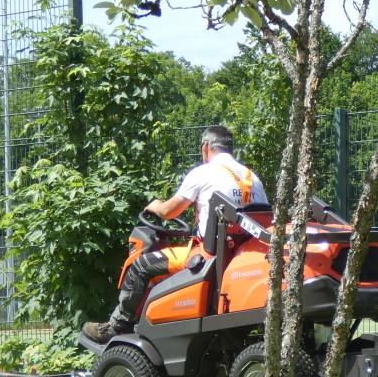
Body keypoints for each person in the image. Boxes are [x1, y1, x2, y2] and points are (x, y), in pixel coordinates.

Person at [82, 125, 268, 343]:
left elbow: (169, 212)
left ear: (205, 147)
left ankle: (116, 327)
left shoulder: (203, 173)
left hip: (206, 256)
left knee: (140, 266)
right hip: (239, 257)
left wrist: (156, 206)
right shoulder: (252, 179)